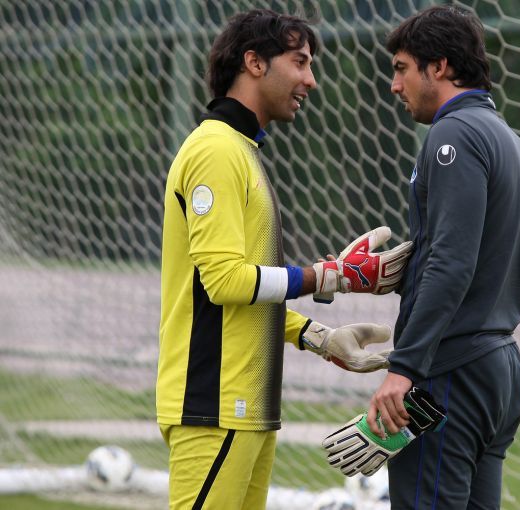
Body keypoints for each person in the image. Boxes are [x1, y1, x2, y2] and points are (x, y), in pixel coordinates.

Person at [156, 9, 410, 510]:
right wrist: (329, 277)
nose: (310, 80)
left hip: (246, 412)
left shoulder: (242, 150)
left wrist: (318, 337)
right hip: (214, 406)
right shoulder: (215, 151)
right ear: (254, 62)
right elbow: (224, 282)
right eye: (300, 61)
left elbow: (241, 298)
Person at [365, 6, 520, 508]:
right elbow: (475, 257)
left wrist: (403, 368)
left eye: (402, 68)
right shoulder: (515, 145)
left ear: (439, 66)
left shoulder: (454, 134)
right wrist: (395, 272)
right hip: (499, 368)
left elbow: (452, 262)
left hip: (450, 371)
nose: (395, 85)